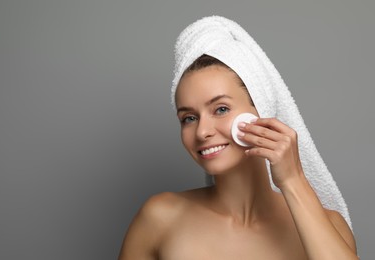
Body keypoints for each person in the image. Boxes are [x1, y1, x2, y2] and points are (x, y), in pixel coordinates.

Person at [118, 16, 358, 259]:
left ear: (260, 110)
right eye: (189, 118)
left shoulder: (327, 226)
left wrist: (293, 180)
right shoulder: (160, 218)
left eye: (221, 109)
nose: (202, 132)